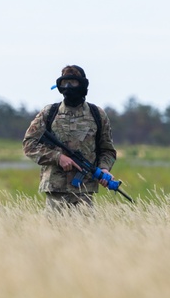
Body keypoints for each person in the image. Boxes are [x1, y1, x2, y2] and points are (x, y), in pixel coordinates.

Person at [23, 65, 117, 211]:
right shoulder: (49, 113)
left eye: (73, 83)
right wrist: (57, 157)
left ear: (82, 85)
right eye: (64, 83)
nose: (68, 87)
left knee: (86, 233)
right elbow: (29, 144)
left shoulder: (97, 114)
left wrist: (104, 169)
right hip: (56, 192)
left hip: (84, 192)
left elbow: (107, 150)